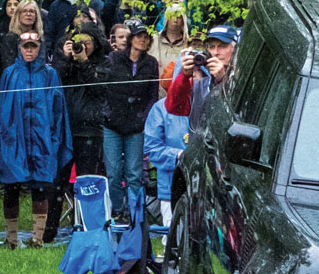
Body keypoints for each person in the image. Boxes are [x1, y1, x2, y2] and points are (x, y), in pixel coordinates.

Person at [0, 32, 70, 249]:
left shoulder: (50, 74)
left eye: (33, 47)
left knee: (41, 186)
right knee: (11, 185)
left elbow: (58, 108)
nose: (29, 51)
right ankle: (11, 238)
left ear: (40, 48)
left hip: (41, 138)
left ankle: (37, 238)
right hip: (14, 139)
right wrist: (3, 136)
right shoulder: (9, 73)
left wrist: (54, 137)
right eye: (25, 47)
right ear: (19, 48)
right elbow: (2, 109)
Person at [100, 23, 160, 223]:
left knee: (134, 173)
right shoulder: (114, 58)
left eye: (146, 37)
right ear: (131, 38)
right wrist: (108, 111)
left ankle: (135, 212)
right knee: (114, 172)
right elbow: (104, 88)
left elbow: (153, 94)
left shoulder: (151, 63)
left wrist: (143, 117)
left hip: (136, 124)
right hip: (113, 123)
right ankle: (118, 211)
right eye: (138, 36)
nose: (142, 40)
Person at [57, 23, 107, 182]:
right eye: (78, 42)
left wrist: (84, 62)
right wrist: (65, 59)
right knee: (58, 180)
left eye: (87, 42)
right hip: (65, 129)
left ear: (96, 44)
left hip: (89, 131)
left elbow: (98, 89)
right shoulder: (65, 62)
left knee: (88, 181)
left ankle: (86, 208)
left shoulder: (104, 63)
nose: (82, 46)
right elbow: (56, 83)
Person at [166, 24, 238, 119]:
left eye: (222, 46)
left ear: (234, 49)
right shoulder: (202, 76)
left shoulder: (242, 73)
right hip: (200, 132)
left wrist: (222, 80)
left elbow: (232, 111)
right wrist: (184, 75)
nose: (216, 52)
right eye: (212, 47)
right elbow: (174, 108)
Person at [143, 98, 189, 228]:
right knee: (173, 235)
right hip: (170, 187)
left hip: (202, 192)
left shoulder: (208, 102)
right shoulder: (161, 108)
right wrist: (177, 155)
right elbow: (152, 148)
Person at [0, 0, 43, 69]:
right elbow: (9, 66)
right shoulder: (10, 38)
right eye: (24, 11)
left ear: (36, 16)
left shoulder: (40, 38)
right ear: (18, 15)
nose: (28, 14)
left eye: (31, 11)